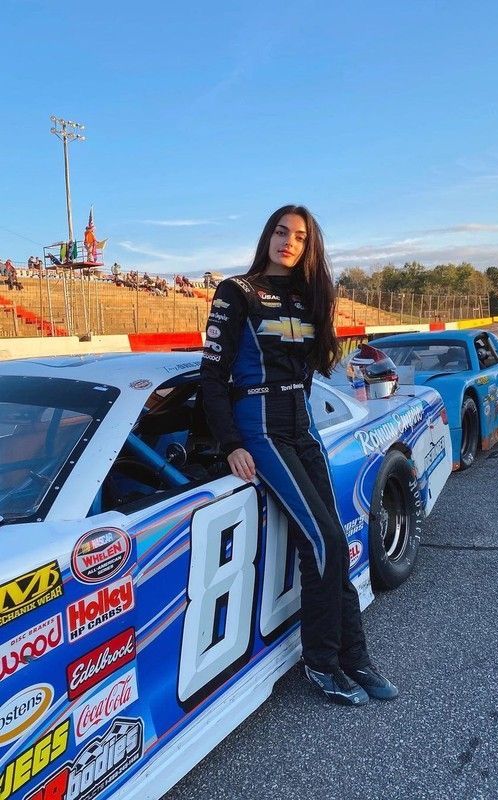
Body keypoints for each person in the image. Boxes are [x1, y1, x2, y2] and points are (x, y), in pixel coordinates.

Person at [200, 205, 398, 707]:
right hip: (260, 425)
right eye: (281, 231)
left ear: (310, 248)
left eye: (300, 237)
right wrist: (232, 443)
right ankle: (321, 662)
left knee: (334, 543)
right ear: (267, 234)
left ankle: (356, 656)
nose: (288, 241)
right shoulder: (236, 292)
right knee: (327, 538)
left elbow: (312, 368)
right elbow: (211, 378)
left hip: (301, 422)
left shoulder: (310, 297)